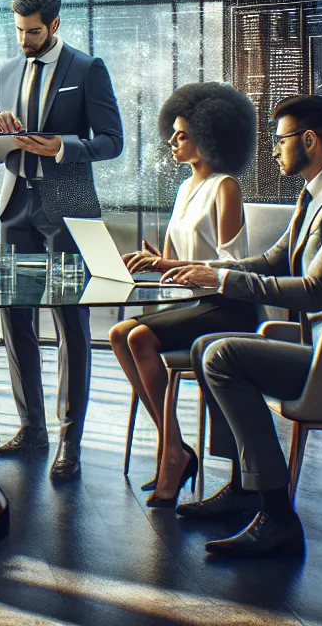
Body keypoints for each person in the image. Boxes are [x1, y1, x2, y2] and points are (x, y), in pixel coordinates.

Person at [160, 94, 322, 557]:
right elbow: (274, 261)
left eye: (281, 140)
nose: (274, 150)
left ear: (308, 140)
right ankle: (245, 486)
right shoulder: (318, 194)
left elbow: (315, 290)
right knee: (205, 347)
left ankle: (276, 515)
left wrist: (226, 280)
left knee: (223, 354)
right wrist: (210, 272)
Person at [0, 0, 124, 480]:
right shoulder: (3, 71)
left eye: (33, 31)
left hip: (70, 207)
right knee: (14, 320)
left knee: (71, 324)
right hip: (16, 205)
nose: (24, 40)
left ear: (55, 25)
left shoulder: (87, 69)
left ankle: (71, 440)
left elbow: (111, 142)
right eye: (19, 31)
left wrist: (59, 147)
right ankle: (32, 428)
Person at [107, 82, 261, 506]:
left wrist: (166, 267)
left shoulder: (225, 187)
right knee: (119, 334)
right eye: (172, 133)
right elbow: (177, 261)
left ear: (211, 136)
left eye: (182, 134)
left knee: (137, 336)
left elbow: (231, 265)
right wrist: (158, 260)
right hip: (190, 302)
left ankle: (171, 454)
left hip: (227, 306)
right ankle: (173, 445)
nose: (172, 141)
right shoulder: (184, 188)